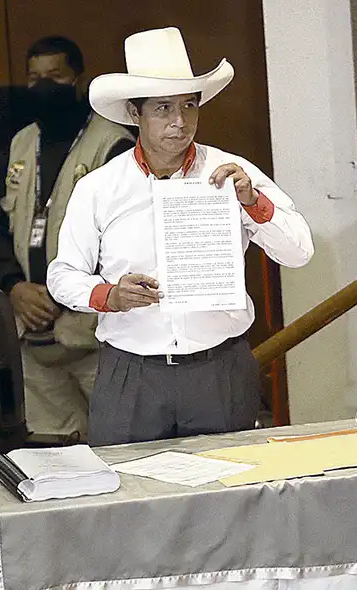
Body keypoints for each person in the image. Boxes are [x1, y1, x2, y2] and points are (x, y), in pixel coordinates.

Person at [47, 28, 314, 446]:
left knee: (229, 480)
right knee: (129, 482)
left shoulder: (232, 173)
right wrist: (109, 296)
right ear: (135, 112)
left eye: (189, 105)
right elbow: (62, 275)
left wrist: (252, 201)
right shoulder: (99, 187)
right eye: (163, 108)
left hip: (219, 367)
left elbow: (298, 251)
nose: (180, 121)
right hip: (132, 371)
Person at [0, 36, 134, 442]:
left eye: (55, 76)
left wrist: (65, 294)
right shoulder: (20, 144)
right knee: (54, 456)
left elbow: (127, 244)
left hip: (95, 341)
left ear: (78, 80)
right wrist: (14, 287)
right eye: (34, 78)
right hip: (32, 338)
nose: (43, 87)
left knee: (121, 448)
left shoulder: (114, 146)